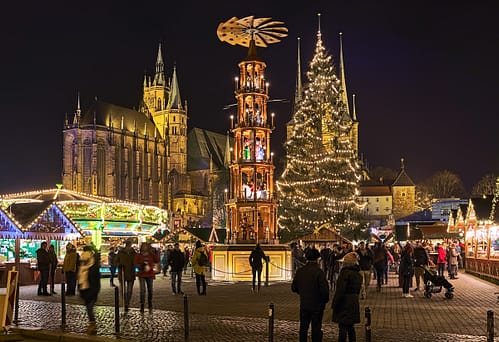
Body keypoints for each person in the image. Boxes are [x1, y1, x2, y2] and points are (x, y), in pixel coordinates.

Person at [292, 247, 329, 342]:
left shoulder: (300, 271)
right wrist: (324, 300)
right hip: (317, 305)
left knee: (303, 328)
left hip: (304, 303)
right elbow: (324, 290)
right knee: (316, 328)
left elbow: (294, 287)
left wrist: (302, 293)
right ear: (317, 259)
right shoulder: (319, 272)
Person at [332, 252, 362, 342]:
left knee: (343, 327)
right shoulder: (358, 274)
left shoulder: (344, 273)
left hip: (344, 302)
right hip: (354, 301)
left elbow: (340, 291)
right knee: (350, 326)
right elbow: (358, 290)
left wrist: (335, 304)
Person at [77, 245, 101, 335]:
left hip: (92, 290)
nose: (83, 262)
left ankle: (92, 325)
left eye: (85, 260)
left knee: (89, 308)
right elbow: (79, 279)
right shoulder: (82, 267)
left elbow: (96, 280)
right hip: (85, 290)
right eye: (82, 261)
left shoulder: (93, 267)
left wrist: (94, 291)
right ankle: (92, 325)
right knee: (88, 308)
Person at [134, 242, 160, 312]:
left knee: (150, 290)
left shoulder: (151, 255)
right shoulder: (138, 255)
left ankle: (150, 303)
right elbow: (135, 263)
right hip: (142, 274)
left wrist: (155, 252)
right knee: (142, 290)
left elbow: (157, 260)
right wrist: (141, 266)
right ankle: (142, 304)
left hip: (150, 274)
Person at [114, 239, 136, 311]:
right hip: (122, 273)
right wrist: (119, 265)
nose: (128, 246)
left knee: (129, 290)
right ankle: (124, 302)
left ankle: (127, 302)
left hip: (131, 273)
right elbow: (115, 261)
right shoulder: (120, 253)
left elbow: (136, 261)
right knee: (123, 290)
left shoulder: (134, 253)